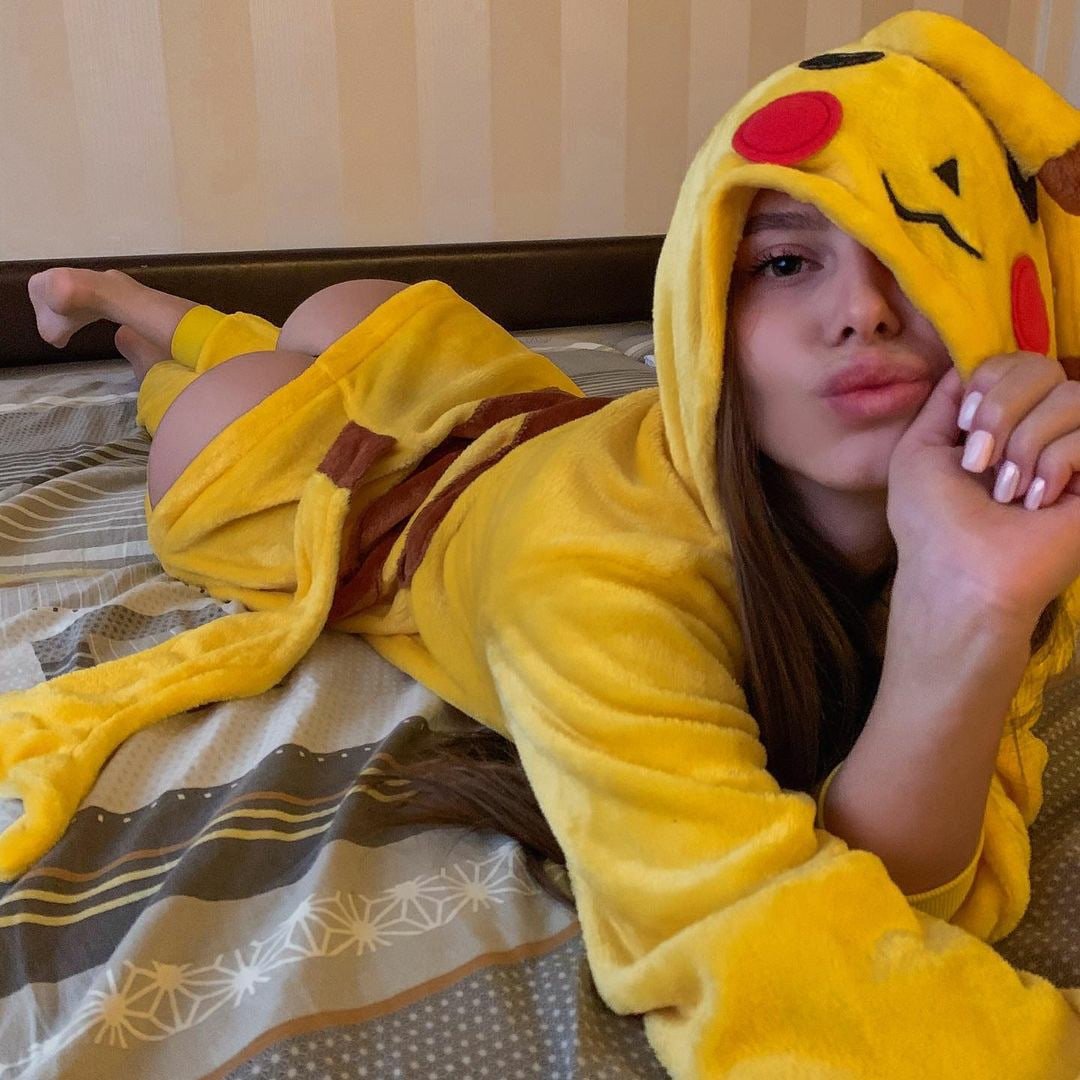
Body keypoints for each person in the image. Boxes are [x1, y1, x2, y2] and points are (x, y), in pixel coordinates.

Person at [8, 9, 1080, 1077]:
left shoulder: (1010, 507)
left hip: (516, 413)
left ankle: (130, 312)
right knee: (220, 391)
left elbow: (903, 894)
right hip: (379, 498)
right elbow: (760, 950)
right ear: (701, 310)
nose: (865, 311)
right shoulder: (591, 576)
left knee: (316, 340)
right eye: (788, 261)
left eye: (922, 246)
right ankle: (126, 317)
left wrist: (967, 607)